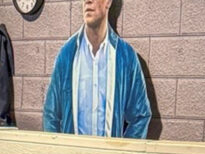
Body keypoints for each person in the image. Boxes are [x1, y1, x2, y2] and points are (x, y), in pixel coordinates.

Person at [42, 0, 150, 138]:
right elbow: (50, 114)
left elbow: (141, 116)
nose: (87, 1)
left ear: (108, 2)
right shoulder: (67, 54)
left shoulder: (126, 56)